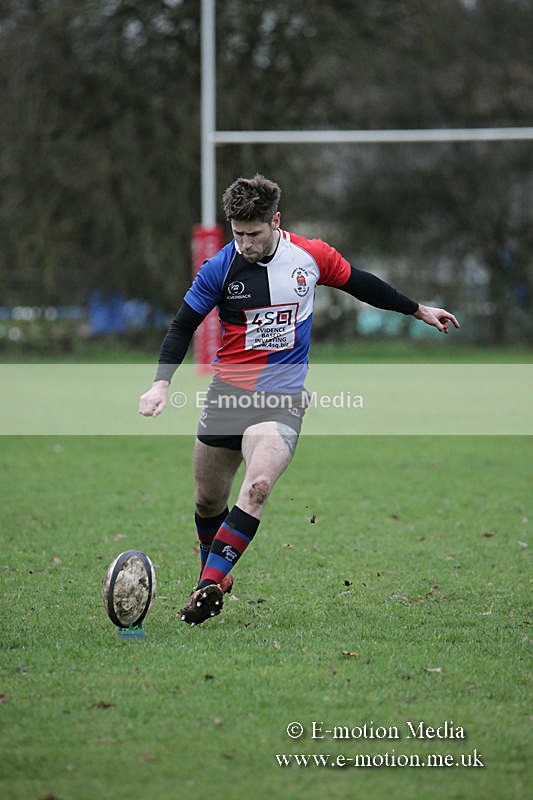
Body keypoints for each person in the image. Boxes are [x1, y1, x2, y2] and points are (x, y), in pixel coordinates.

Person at [139, 174, 459, 626]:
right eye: (237, 234)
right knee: (209, 501)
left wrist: (416, 308)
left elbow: (361, 283)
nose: (245, 243)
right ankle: (213, 576)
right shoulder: (220, 269)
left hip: (281, 398)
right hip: (228, 398)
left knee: (258, 486)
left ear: (276, 220)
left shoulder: (309, 256)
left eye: (254, 233)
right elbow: (181, 325)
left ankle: (207, 585)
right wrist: (161, 384)